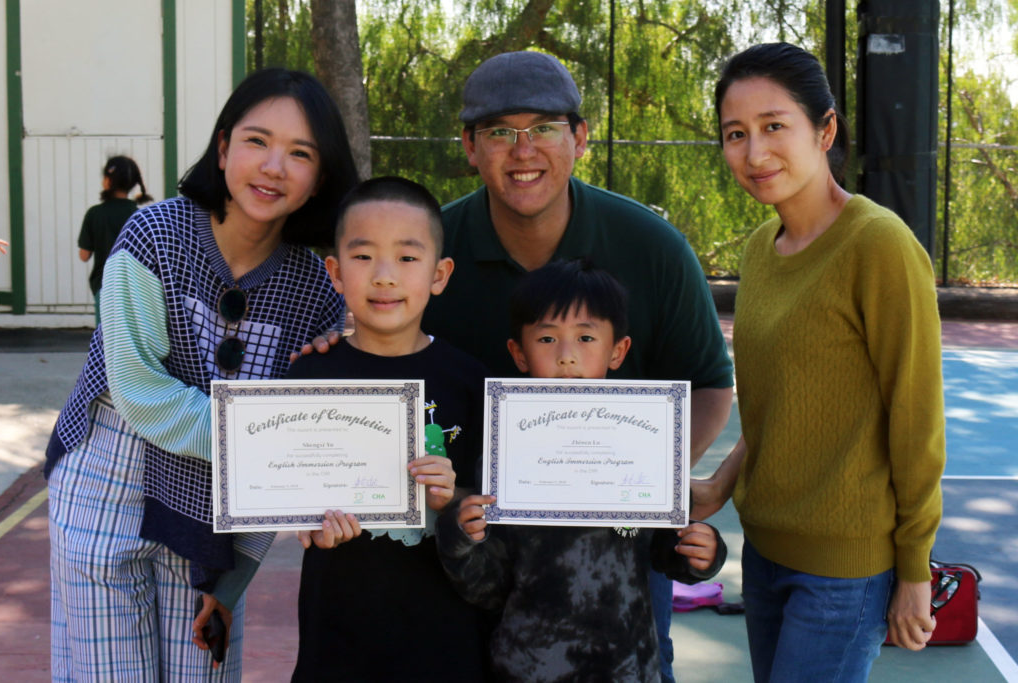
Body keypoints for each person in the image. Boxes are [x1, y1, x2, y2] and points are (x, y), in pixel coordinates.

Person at [298, 51, 735, 681]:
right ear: (471, 147)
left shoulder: (651, 245)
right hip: (482, 552)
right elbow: (387, 332)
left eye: (544, 129)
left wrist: (641, 491)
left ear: (580, 138)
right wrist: (333, 354)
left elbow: (710, 383)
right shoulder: (430, 247)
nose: (522, 149)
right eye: (500, 132)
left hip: (615, 558)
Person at [43, 67, 359, 681]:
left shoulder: (316, 290)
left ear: (321, 178)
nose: (273, 166)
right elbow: (142, 395)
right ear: (222, 148)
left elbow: (297, 428)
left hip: (216, 509)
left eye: (300, 153)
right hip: (109, 477)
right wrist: (265, 443)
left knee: (202, 669)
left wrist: (236, 576)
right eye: (256, 141)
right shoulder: (154, 235)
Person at [692, 42, 945, 682]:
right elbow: (783, 404)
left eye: (775, 126)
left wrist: (915, 569)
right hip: (766, 554)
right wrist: (719, 487)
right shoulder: (758, 250)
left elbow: (916, 420)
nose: (754, 153)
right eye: (735, 134)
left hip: (844, 571)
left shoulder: (879, 245)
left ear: (825, 129)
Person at [437, 259, 727, 681]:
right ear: (518, 352)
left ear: (618, 351)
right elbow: (488, 587)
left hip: (629, 666)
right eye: (547, 338)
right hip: (527, 668)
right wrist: (461, 540)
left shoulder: (645, 447)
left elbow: (668, 552)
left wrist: (702, 553)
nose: (567, 356)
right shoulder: (506, 457)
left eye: (586, 337)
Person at [287, 176, 491, 682]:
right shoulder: (307, 378)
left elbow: (493, 511)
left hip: (445, 642)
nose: (384, 276)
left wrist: (454, 498)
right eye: (362, 257)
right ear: (334, 271)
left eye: (406, 257)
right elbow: (287, 492)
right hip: (336, 640)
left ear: (439, 274)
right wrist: (307, 518)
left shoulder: (472, 382)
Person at [78, 155, 154, 324]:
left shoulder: (95, 214)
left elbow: (84, 255)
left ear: (107, 181)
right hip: (137, 288)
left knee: (106, 340)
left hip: (105, 286)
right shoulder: (140, 215)